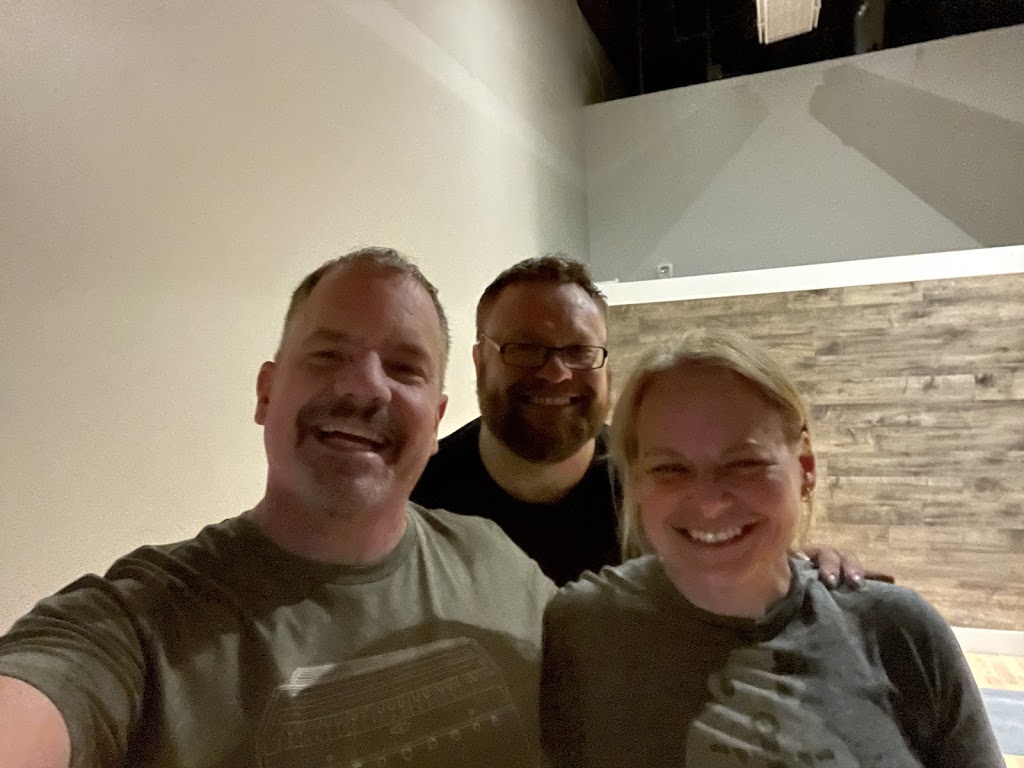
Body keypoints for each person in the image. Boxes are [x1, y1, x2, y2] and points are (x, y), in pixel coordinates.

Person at [0, 247, 556, 768]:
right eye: (327, 355)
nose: (364, 387)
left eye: (404, 367)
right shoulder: (139, 624)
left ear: (435, 421)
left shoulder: (498, 565)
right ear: (266, 393)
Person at [540, 330, 1003, 768]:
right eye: (670, 469)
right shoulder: (580, 630)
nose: (710, 501)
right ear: (636, 483)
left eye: (745, 463)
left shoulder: (898, 632)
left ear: (805, 468)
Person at [413, 256, 864, 588]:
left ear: (607, 369)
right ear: (480, 362)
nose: (556, 373)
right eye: (526, 349)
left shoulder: (658, 485)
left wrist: (802, 570)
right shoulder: (418, 496)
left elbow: (736, 562)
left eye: (579, 351)